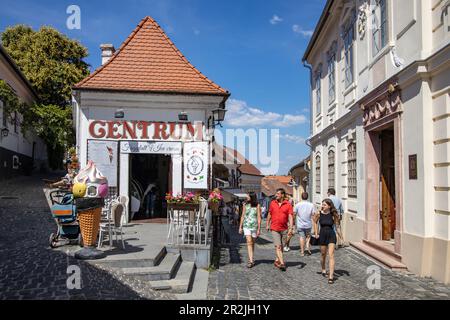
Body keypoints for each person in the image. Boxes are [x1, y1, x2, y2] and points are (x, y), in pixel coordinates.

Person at [312, 198, 341, 284]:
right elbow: (314, 222)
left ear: (329, 206)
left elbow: (337, 226)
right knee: (323, 254)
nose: (322, 206)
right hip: (322, 235)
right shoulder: (319, 213)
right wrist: (316, 233)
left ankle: (331, 276)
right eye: (322, 204)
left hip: (331, 235)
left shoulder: (333, 214)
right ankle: (323, 268)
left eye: (324, 205)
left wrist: (341, 238)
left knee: (331, 255)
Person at [266, 188, 294, 271]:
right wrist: (267, 224)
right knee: (278, 246)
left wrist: (291, 228)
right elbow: (270, 214)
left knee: (281, 246)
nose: (276, 195)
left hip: (284, 228)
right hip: (274, 228)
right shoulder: (272, 203)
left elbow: (290, 216)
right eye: (276, 193)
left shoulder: (288, 204)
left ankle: (277, 260)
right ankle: (282, 263)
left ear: (282, 195)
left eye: (278, 194)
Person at [239, 192, 261, 268]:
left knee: (252, 243)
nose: (246, 197)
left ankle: (251, 257)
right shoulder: (245, 205)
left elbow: (259, 217)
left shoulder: (257, 205)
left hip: (254, 226)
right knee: (249, 241)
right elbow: (242, 216)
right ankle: (251, 261)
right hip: (246, 225)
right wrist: (240, 226)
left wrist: (259, 228)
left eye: (248, 196)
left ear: (252, 197)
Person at [294, 192, 315, 256]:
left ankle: (302, 252)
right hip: (308, 224)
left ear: (301, 197)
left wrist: (293, 223)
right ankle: (307, 248)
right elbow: (313, 214)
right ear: (307, 197)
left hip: (300, 224)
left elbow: (294, 214)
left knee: (301, 237)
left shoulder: (297, 204)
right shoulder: (311, 205)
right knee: (308, 237)